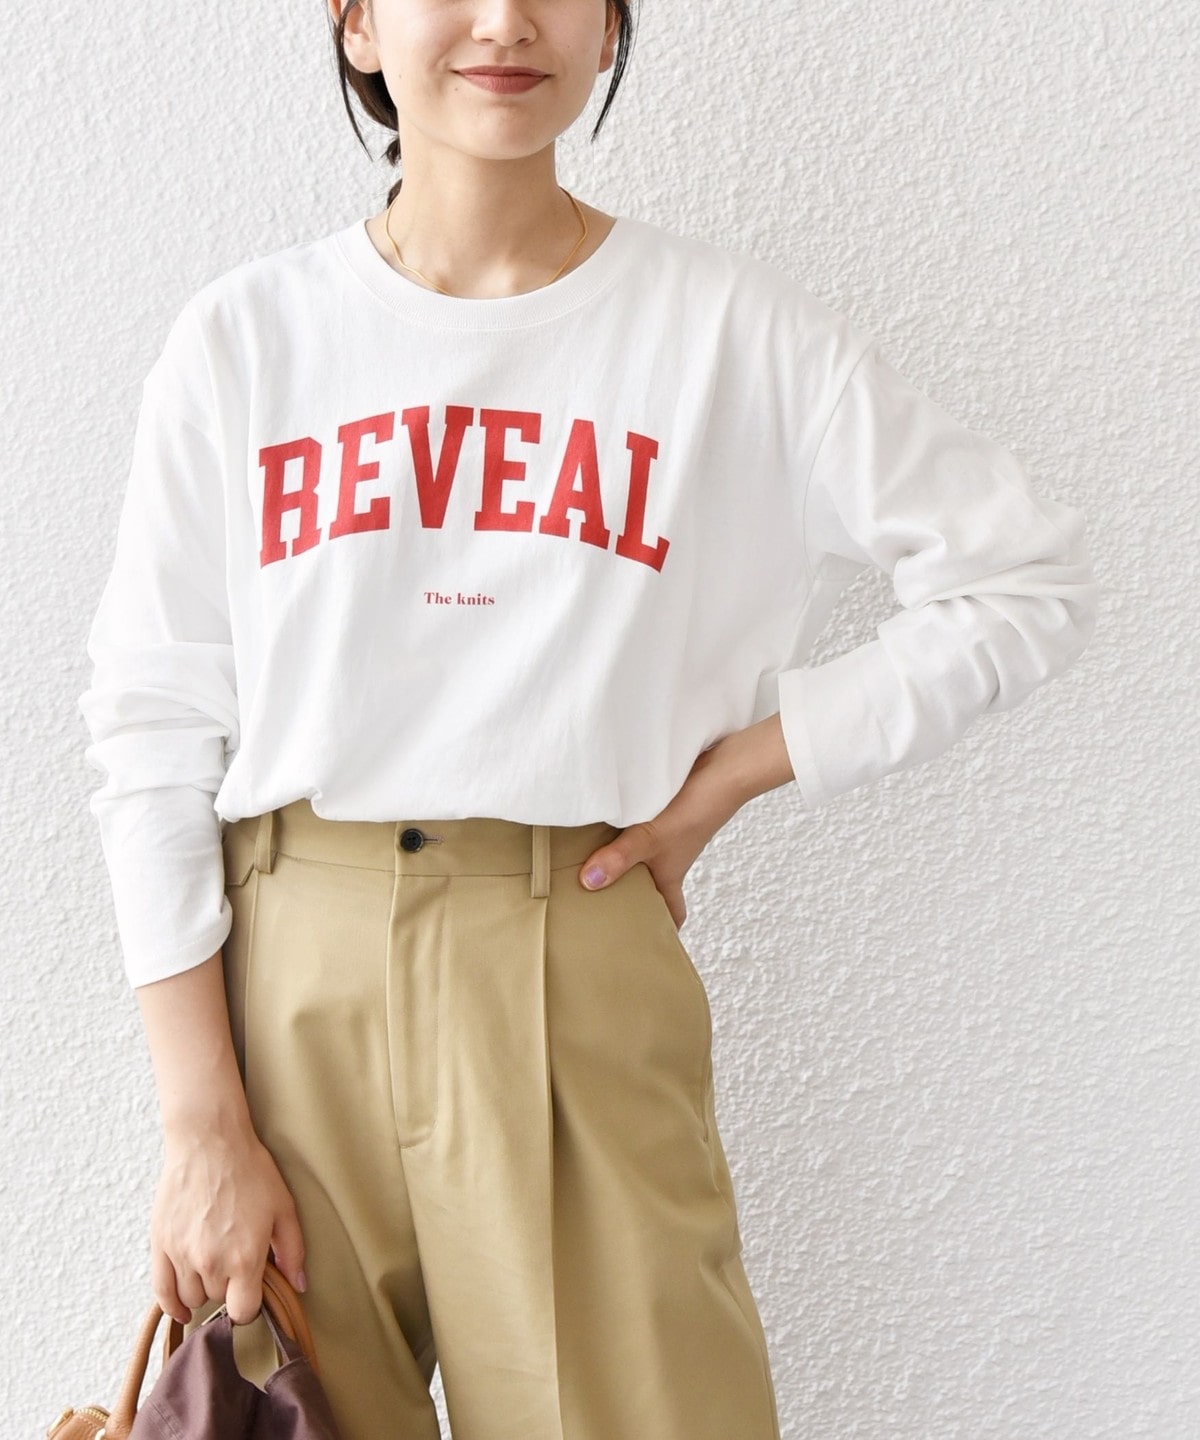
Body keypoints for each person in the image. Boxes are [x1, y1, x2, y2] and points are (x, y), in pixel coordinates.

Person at [76, 2, 1100, 1437]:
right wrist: (200, 1125)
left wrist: (740, 769)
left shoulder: (725, 335)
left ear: (612, 27)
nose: (506, 21)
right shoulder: (247, 341)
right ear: (357, 23)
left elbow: (1023, 578)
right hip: (288, 983)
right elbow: (152, 727)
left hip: (575, 947)